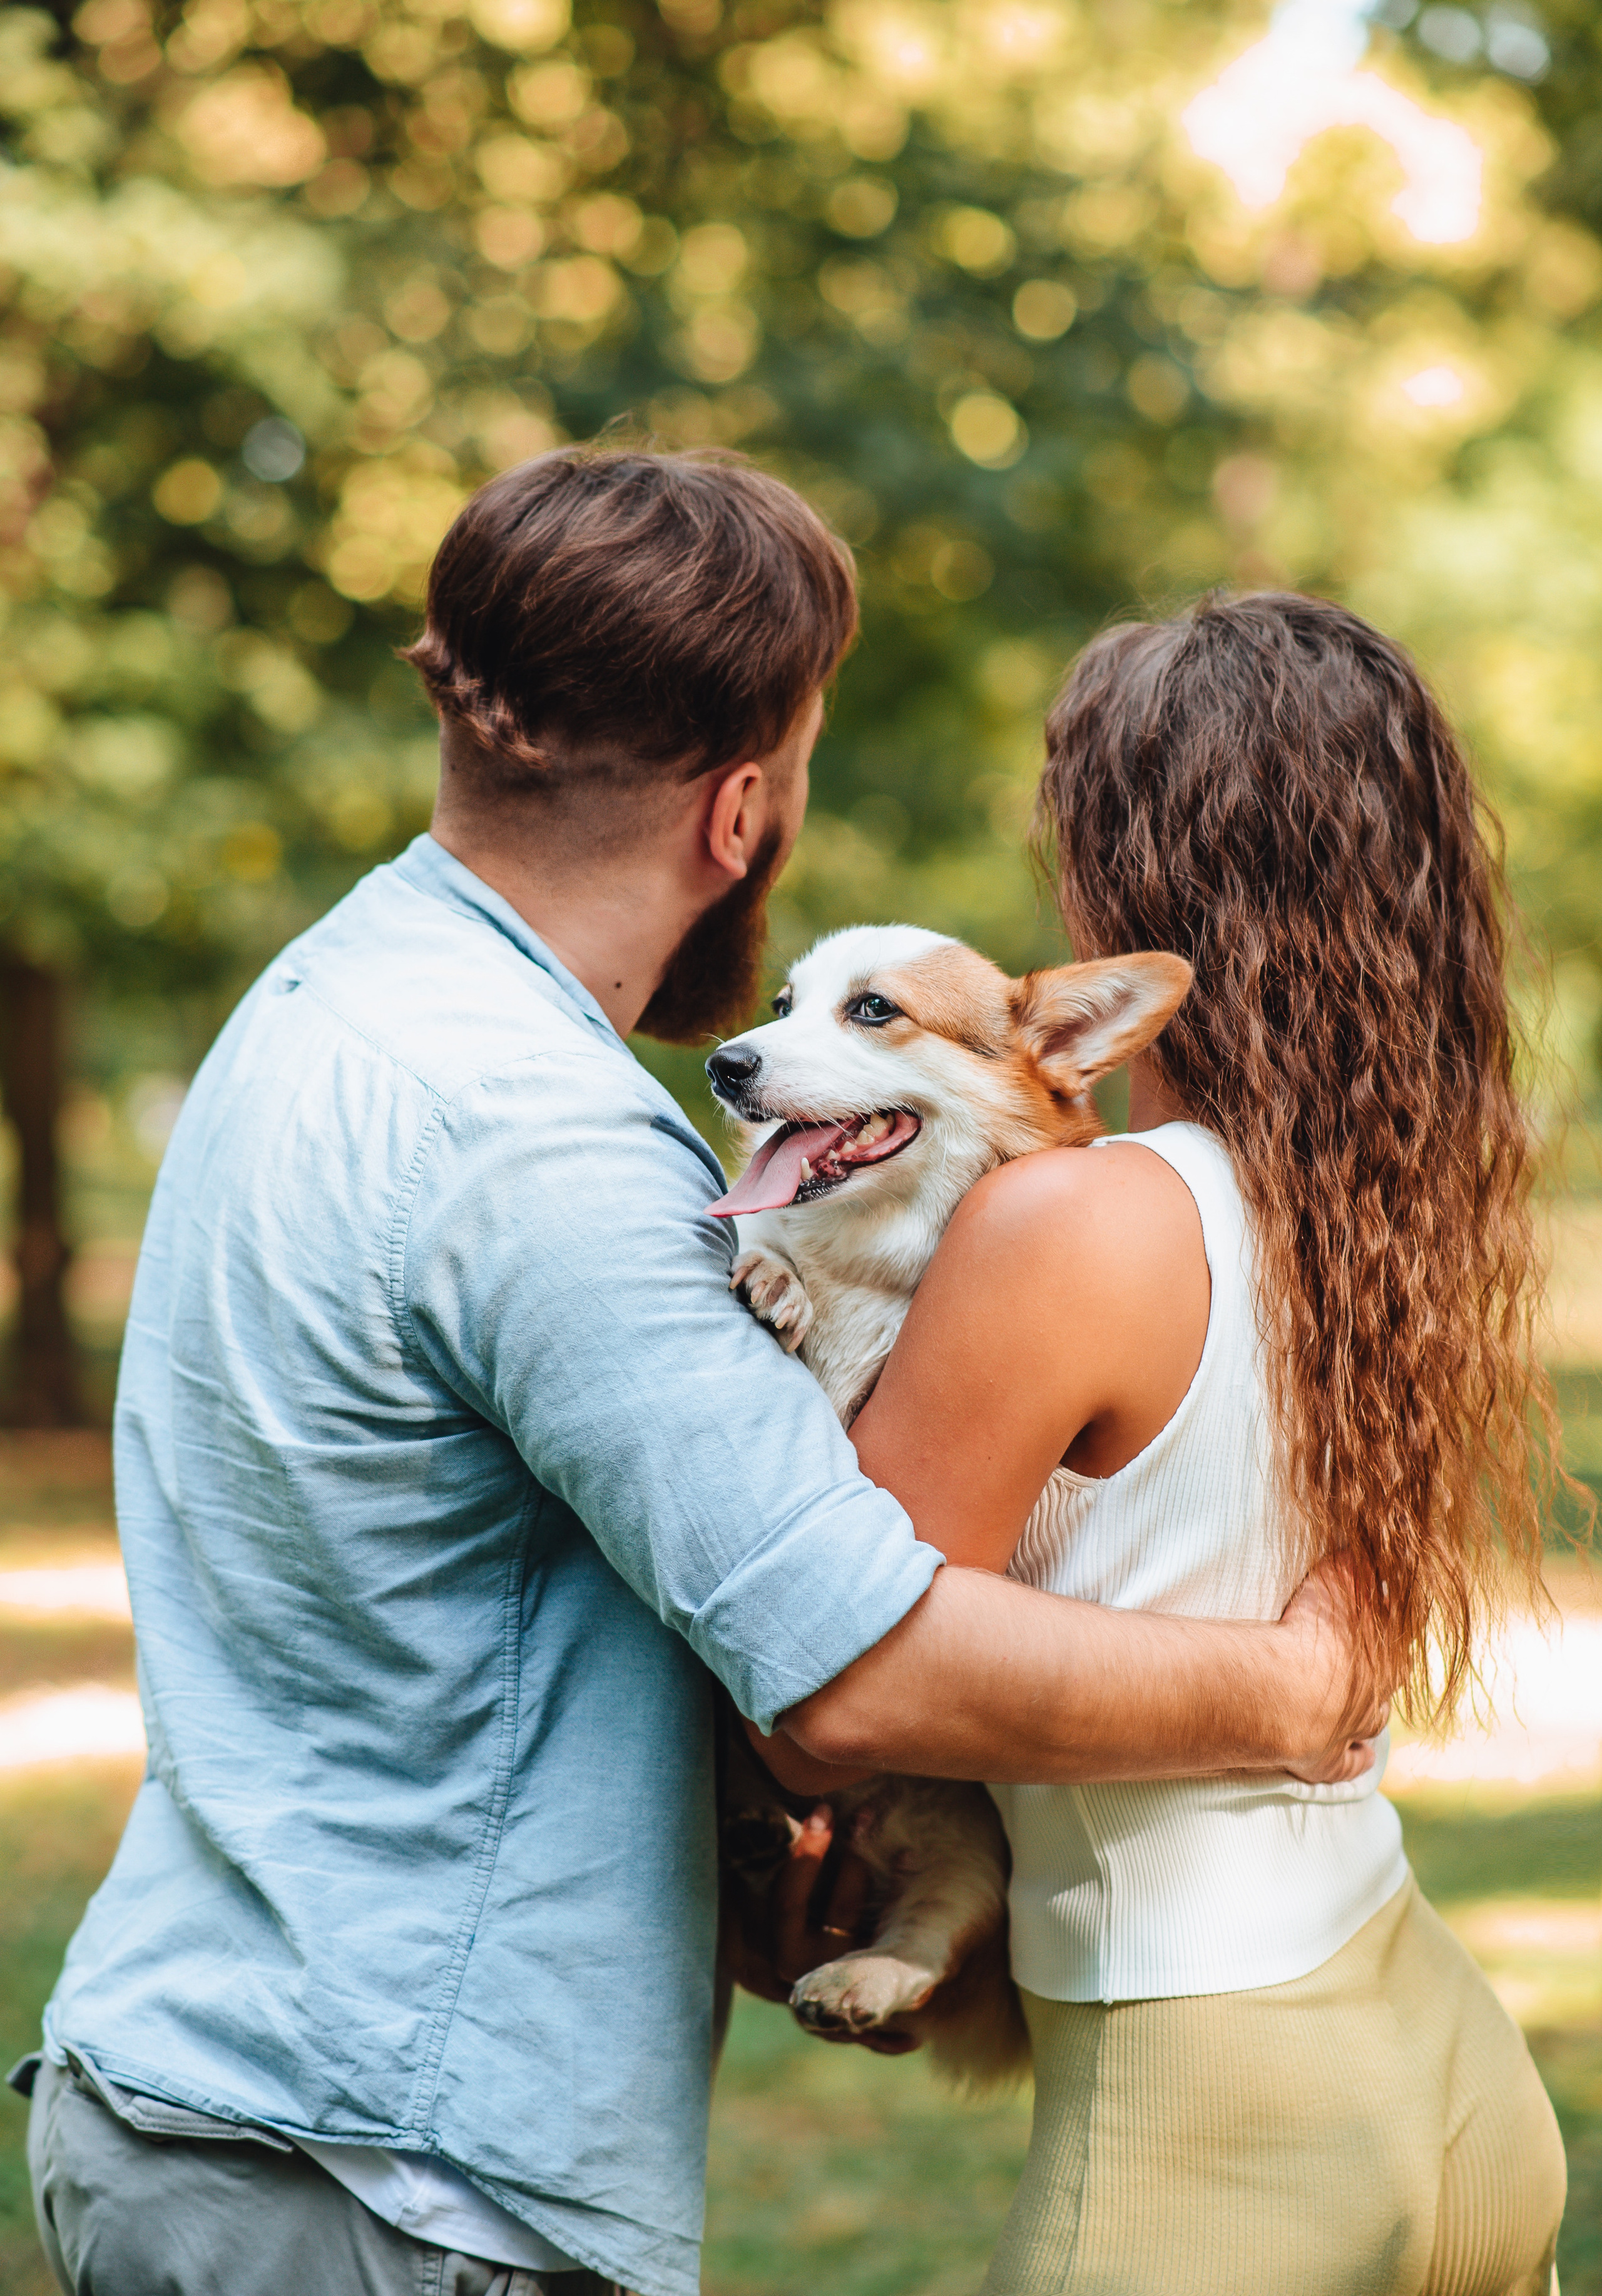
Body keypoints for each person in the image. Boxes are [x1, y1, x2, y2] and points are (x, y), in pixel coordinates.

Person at [18, 455, 1383, 2296]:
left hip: (219, 2088)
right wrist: (1298, 1690)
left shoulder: (331, 998)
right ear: (746, 806)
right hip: (392, 2176)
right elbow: (856, 1663)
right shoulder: (544, 1150)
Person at [850, 592, 1570, 2295]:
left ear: (1119, 876)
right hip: (1440, 2059)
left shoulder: (1070, 1223)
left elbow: (845, 1680)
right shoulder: (1386, 1218)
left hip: (1210, 2105)